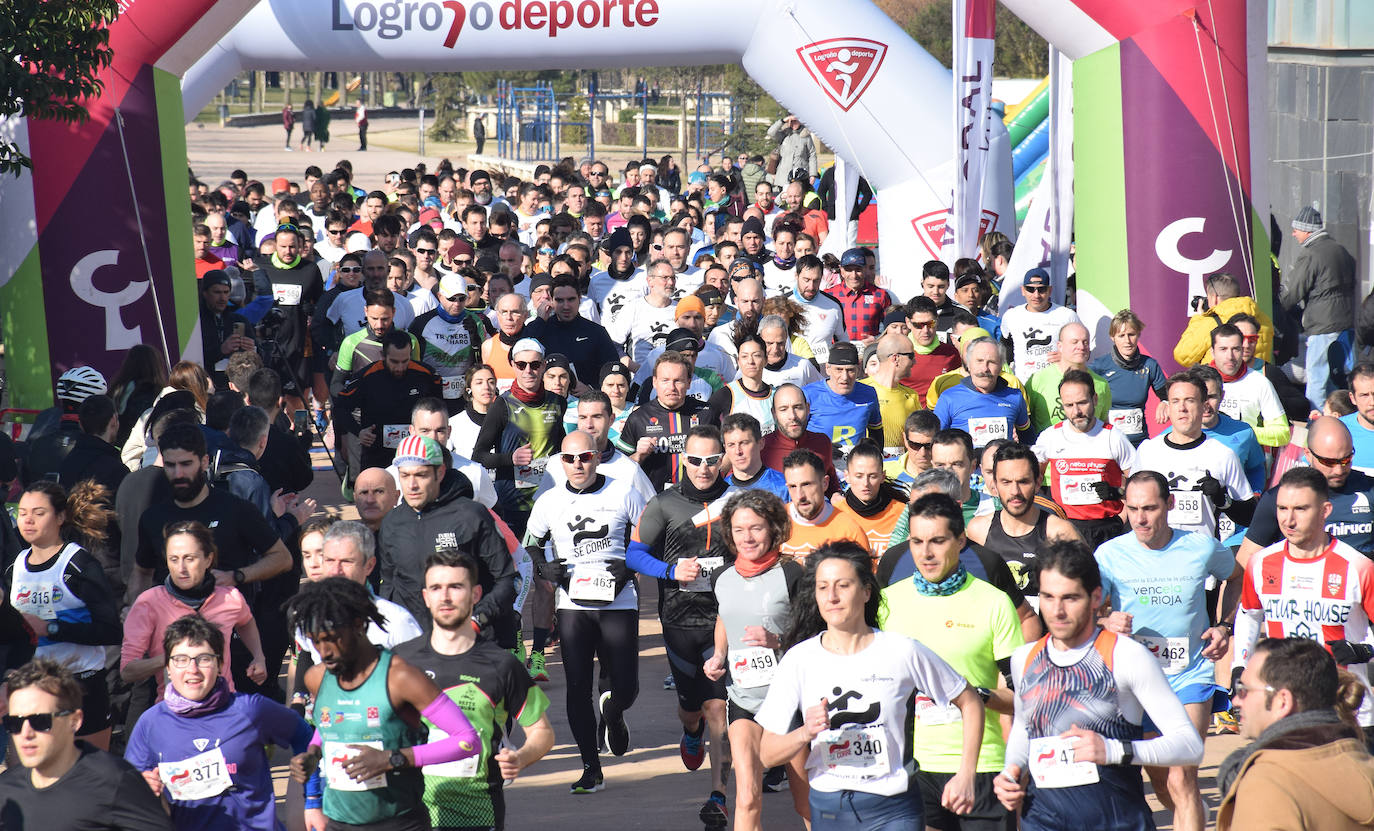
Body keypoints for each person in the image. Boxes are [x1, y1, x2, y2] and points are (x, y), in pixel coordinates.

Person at [757, 541, 983, 831]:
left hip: (894, 809)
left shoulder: (901, 650)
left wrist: (966, 774)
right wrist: (805, 732)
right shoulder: (799, 660)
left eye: (843, 586)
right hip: (830, 811)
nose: (832, 597)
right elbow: (767, 753)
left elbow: (970, 701)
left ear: (866, 591)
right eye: (823, 587)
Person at [992, 540, 1205, 831]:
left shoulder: (1127, 656)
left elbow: (1190, 746)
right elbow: (1024, 728)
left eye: (1070, 598)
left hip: (1117, 821)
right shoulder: (1024, 658)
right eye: (1047, 597)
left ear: (1095, 598)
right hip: (1042, 821)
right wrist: (1011, 770)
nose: (1057, 611)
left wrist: (1116, 751)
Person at [1095, 472, 1238, 831]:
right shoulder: (1109, 554)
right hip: (1138, 684)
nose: (1141, 519)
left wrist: (1224, 626)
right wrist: (1105, 621)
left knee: (1181, 777)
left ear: (1170, 504)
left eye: (1150, 508)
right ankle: (1196, 816)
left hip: (1191, 674)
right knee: (1161, 783)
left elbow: (1237, 577)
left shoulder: (1201, 546)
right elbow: (1087, 608)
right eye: (1133, 509)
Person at [286, 577, 482, 830]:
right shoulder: (317, 677)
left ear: (358, 624)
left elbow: (467, 740)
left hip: (399, 823)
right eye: (315, 641)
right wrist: (312, 755)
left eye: (331, 639)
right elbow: (328, 728)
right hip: (338, 823)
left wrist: (393, 759)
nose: (324, 652)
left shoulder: (400, 677)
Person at [879, 493, 1022, 831]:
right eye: (916, 542)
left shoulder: (995, 603)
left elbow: (1020, 699)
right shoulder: (887, 603)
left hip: (983, 765)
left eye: (938, 541)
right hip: (912, 767)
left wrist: (971, 695)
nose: (925, 553)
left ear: (960, 541)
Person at [393, 549, 555, 831]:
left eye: (455, 587)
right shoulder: (399, 662)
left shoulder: (502, 665)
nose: (445, 597)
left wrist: (521, 757)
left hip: (477, 814)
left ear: (476, 594)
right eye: (436, 588)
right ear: (425, 597)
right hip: (410, 813)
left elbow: (542, 731)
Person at [524, 431, 649, 794]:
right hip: (573, 604)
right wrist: (545, 571)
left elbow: (647, 538)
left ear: (596, 458)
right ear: (560, 461)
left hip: (618, 599)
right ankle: (590, 768)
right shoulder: (549, 500)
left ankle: (613, 713)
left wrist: (628, 569)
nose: (577, 464)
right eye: (569, 458)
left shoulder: (623, 491)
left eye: (584, 457)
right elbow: (531, 544)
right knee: (577, 686)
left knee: (625, 684)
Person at [626, 425, 735, 826]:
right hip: (679, 621)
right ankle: (690, 732)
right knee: (693, 710)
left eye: (711, 460)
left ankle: (718, 796)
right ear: (683, 460)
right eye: (695, 460)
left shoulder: (737, 500)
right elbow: (634, 556)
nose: (704, 468)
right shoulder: (664, 504)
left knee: (717, 708)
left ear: (721, 459)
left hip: (724, 618)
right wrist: (672, 569)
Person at [124, 615, 316, 831]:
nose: (192, 669)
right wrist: (146, 791)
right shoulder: (151, 724)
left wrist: (313, 797)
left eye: (204, 658)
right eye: (181, 659)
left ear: (220, 663)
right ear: (168, 667)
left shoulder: (251, 710)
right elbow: (131, 796)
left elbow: (305, 735)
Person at [1231, 467, 1374, 728]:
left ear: (1325, 511)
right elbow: (1249, 614)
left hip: (1348, 712)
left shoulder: (1358, 566)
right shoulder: (1260, 563)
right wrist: (1239, 665)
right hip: (1282, 710)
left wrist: (1364, 650)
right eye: (1282, 508)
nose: (1288, 520)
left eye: (1301, 509)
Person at [702, 489, 810, 831]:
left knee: (805, 800)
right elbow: (725, 617)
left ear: (773, 529)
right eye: (739, 529)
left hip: (791, 701)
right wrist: (719, 653)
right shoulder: (723, 577)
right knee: (747, 796)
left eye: (756, 528)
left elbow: (814, 637)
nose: (747, 537)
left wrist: (776, 641)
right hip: (743, 697)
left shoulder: (792, 574)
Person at [6, 481, 122, 750]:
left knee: (88, 778)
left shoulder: (78, 563)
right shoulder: (16, 568)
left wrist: (52, 629)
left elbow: (111, 631)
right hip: (33, 689)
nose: (28, 520)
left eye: (38, 512)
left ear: (60, 517)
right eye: (22, 513)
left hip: (81, 686)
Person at [1217, 637, 1374, 831]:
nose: (1235, 701)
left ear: (1282, 701)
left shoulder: (1266, 784)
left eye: (1244, 690)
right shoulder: (1364, 765)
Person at [0, 658, 173, 830]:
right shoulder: (7, 789)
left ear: (74, 720)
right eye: (14, 723)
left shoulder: (115, 781)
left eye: (40, 721)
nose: (26, 733)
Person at [379, 435, 517, 642]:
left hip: (469, 641)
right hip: (414, 646)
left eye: (421, 475)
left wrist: (477, 621)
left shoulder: (472, 515)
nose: (412, 485)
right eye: (405, 476)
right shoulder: (391, 522)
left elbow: (507, 579)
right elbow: (388, 586)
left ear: (440, 472)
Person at [121, 521, 266, 699]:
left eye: (189, 558)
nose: (181, 568)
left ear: (208, 560)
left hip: (224, 706)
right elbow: (127, 672)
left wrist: (258, 656)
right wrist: (173, 658)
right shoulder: (149, 602)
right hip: (174, 714)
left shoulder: (231, 598)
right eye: (174, 559)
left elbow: (246, 622)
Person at [1238, 416, 1374, 564]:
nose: (1339, 469)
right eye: (1329, 462)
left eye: (1346, 460)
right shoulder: (1280, 497)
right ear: (1308, 454)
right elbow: (1246, 560)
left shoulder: (1369, 490)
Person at [1136, 372, 1255, 539]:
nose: (1182, 408)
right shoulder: (1148, 451)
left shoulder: (1223, 455)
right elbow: (1132, 506)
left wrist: (1222, 499)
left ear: (1203, 405)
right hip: (1156, 554)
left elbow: (1249, 516)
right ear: (1168, 407)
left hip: (1202, 557)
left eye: (1189, 400)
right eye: (1175, 401)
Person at [1030, 370, 1137, 548]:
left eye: (1082, 403)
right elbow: (1032, 482)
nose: (1077, 411)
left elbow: (1140, 485)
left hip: (1108, 528)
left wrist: (1118, 497)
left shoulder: (1113, 437)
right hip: (1066, 527)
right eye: (1069, 405)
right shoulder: (1050, 437)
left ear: (1095, 399)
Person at [966, 444, 1081, 609]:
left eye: (1023, 481)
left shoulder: (1060, 532)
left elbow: (1088, 587)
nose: (1015, 491)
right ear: (995, 484)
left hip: (1044, 632)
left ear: (1038, 482)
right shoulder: (978, 530)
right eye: (1006, 482)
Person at [1281, 206, 1358, 408]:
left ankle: (1315, 423)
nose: (1293, 233)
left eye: (1296, 229)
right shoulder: (1340, 250)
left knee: (1316, 377)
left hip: (1323, 324)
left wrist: (1276, 309)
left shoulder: (1311, 254)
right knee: (1335, 376)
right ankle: (1340, 417)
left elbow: (1294, 291)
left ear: (1307, 230)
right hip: (1345, 322)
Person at [616, 351, 709, 491]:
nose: (671, 387)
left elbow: (724, 457)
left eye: (678, 381)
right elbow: (618, 468)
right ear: (654, 382)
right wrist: (638, 456)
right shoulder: (638, 417)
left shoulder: (705, 413)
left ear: (689, 383)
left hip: (697, 500)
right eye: (665, 380)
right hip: (654, 501)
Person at [1088, 309, 1169, 446]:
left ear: (1138, 335)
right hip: (1108, 442)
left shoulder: (1149, 365)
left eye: (1131, 334)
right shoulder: (1099, 366)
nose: (1127, 341)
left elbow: (1168, 395)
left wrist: (1165, 402)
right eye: (1121, 335)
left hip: (1139, 441)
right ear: (1112, 337)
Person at [933, 337, 1032, 448]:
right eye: (979, 361)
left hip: (1001, 464)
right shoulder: (949, 398)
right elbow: (935, 441)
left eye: (992, 362)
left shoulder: (1015, 397)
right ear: (969, 365)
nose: (985, 369)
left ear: (1001, 367)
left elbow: (1027, 437)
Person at [1209, 323, 1291, 448]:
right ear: (1212, 352)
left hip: (1244, 459)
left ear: (1242, 351)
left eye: (1236, 349)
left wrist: (1242, 431)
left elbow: (1282, 434)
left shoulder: (1260, 383)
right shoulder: (1197, 381)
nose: (1230, 356)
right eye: (1223, 349)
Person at [1173, 270, 1276, 368]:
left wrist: (1198, 319)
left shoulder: (1210, 322)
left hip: (1222, 382)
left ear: (1214, 298)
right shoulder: (1264, 319)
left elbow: (1183, 356)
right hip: (1257, 380)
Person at [780, 450, 868, 562]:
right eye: (792, 486)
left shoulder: (849, 531)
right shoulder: (775, 523)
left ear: (825, 483)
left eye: (806, 484)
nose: (800, 495)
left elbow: (864, 578)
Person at [1024, 323, 1112, 433]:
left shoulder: (1102, 384)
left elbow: (1104, 424)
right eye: (1074, 342)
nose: (1081, 347)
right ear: (1060, 346)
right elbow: (1025, 422)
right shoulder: (1038, 380)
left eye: (1085, 342)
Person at [998, 269, 1081, 382]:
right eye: (1030, 289)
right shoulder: (1011, 316)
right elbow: (1005, 350)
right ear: (1023, 290)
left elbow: (1083, 350)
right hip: (1024, 385)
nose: (1036, 295)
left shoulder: (1067, 316)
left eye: (1041, 289)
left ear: (1050, 290)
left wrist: (1066, 358)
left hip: (1058, 383)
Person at [803, 342, 882, 449]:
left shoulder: (868, 394)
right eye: (839, 370)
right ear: (827, 369)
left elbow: (876, 433)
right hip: (818, 462)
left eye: (850, 370)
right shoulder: (809, 394)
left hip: (855, 463)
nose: (845, 377)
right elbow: (795, 435)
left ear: (858, 369)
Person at [835, 442, 907, 555]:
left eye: (872, 476)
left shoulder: (902, 513)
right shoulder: (835, 513)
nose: (865, 483)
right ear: (847, 476)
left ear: (882, 477)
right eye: (859, 476)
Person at [705, 334, 775, 434]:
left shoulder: (776, 395)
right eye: (744, 356)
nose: (750, 361)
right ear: (738, 361)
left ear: (765, 360)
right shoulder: (725, 395)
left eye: (756, 355)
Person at [902, 297, 962, 401]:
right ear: (908, 323)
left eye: (930, 324)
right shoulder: (897, 353)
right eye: (918, 325)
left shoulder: (951, 354)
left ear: (937, 320)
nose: (925, 331)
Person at [722, 413, 790, 500]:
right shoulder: (721, 491)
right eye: (731, 445)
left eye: (744, 443)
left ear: (761, 443)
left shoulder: (784, 487)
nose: (738, 451)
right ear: (725, 448)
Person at [885, 410, 940, 486]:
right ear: (904, 439)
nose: (922, 453)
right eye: (915, 445)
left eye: (929, 445)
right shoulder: (884, 470)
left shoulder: (950, 475)